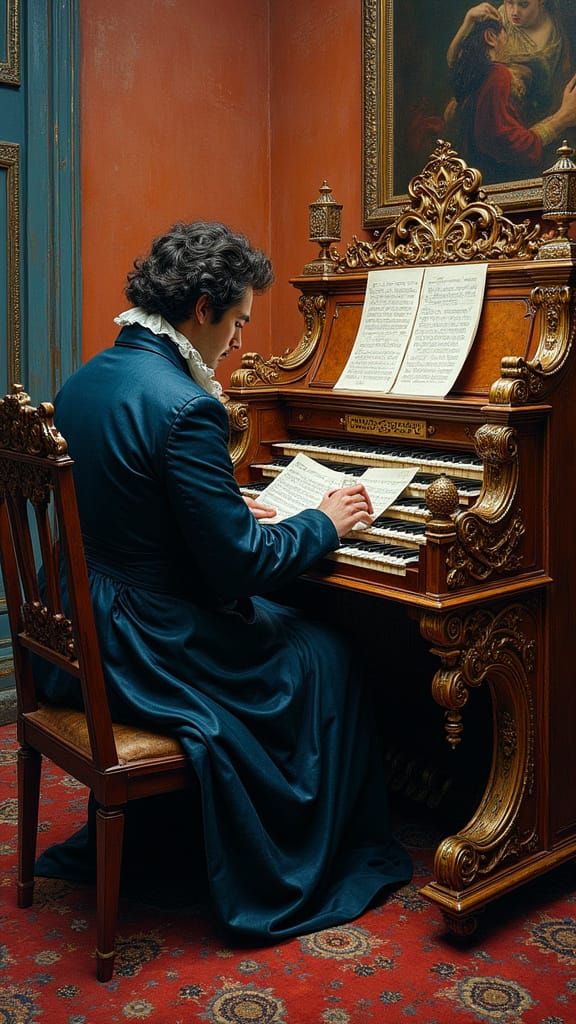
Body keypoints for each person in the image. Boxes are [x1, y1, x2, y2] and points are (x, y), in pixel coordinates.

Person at [33, 221, 412, 941]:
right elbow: (240, 565)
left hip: (79, 618)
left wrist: (216, 502)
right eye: (237, 321)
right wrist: (326, 522)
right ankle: (306, 857)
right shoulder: (189, 406)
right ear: (202, 308)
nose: (240, 340)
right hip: (140, 644)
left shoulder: (91, 377)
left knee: (293, 627)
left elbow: (126, 490)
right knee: (326, 654)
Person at [446, 14, 576, 182]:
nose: (513, 46)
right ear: (491, 37)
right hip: (497, 180)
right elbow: (507, 143)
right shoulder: (497, 74)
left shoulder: (474, 79)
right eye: (508, 37)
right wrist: (562, 118)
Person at [447, 1, 572, 119]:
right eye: (509, 2)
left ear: (541, 1)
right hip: (481, 96)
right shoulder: (501, 16)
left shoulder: (551, 43)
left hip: (512, 111)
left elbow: (539, 97)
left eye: (524, 4)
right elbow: (453, 61)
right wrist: (468, 22)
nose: (514, 12)